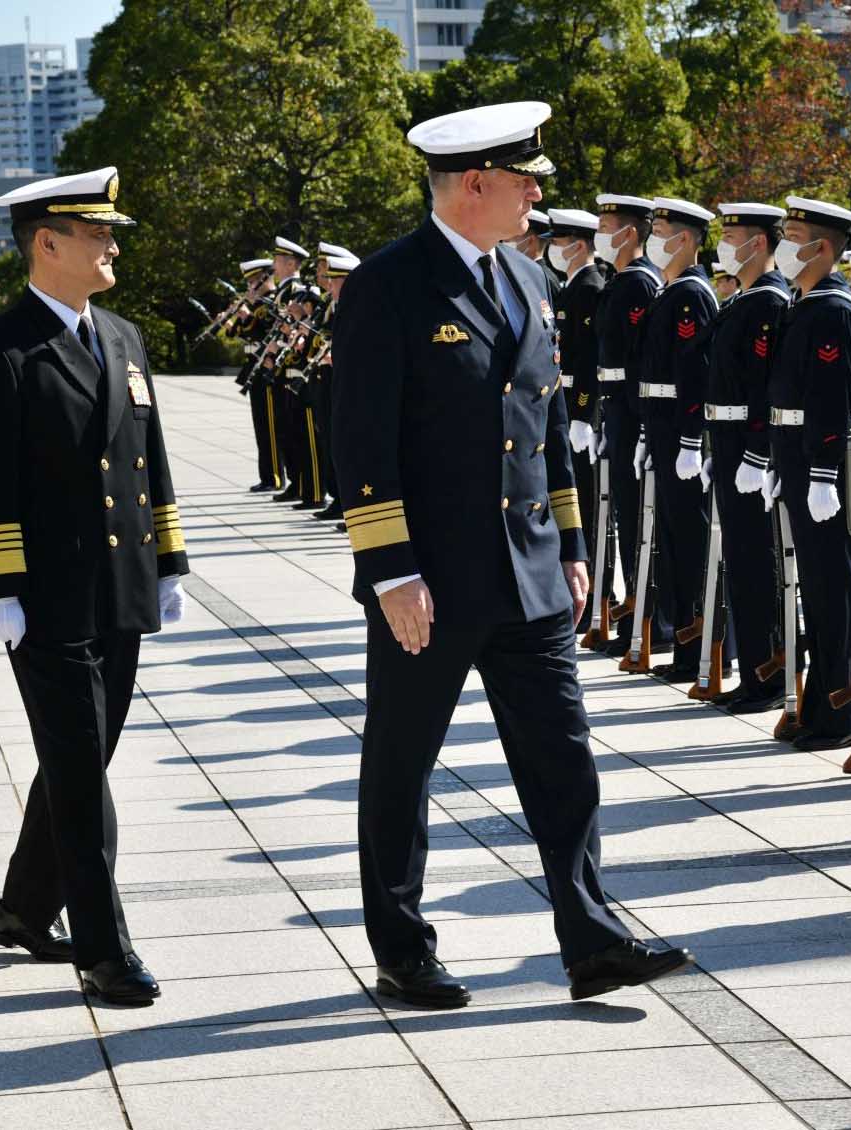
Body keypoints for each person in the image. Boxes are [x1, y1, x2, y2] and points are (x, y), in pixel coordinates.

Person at [329, 101, 691, 1009]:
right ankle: (403, 948)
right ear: (475, 184)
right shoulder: (390, 285)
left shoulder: (525, 283)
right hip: (432, 581)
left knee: (563, 758)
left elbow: (545, 429)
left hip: (527, 569)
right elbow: (361, 443)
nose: (538, 191)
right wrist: (390, 572)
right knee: (403, 763)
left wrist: (568, 543)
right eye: (523, 177)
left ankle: (593, 939)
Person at [0, 167, 188, 1005]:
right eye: (97, 234)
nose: (112, 245)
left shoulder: (121, 337)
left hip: (119, 589)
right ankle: (104, 948)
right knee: (83, 772)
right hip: (46, 600)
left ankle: (22, 910)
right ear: (47, 244)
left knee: (78, 759)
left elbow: (146, 459)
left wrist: (167, 561)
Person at [768, 195, 851, 750]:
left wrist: (826, 471)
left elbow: (832, 400)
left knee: (836, 588)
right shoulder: (804, 302)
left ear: (822, 247)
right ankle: (820, 702)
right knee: (817, 585)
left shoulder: (833, 308)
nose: (785, 240)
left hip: (823, 464)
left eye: (794, 232)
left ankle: (842, 709)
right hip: (800, 457)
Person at [710, 202, 789, 711]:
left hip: (747, 441)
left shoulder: (768, 302)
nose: (723, 244)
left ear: (757, 243)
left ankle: (770, 673)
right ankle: (756, 669)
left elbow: (764, 388)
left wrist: (758, 454)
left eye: (731, 234)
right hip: (727, 437)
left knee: (759, 564)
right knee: (741, 560)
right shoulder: (745, 299)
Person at [641, 196, 720, 680]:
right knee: (673, 542)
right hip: (663, 427)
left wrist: (691, 438)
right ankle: (686, 646)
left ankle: (700, 647)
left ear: (686, 240)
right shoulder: (670, 291)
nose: (655, 239)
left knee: (690, 545)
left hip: (680, 429)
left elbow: (696, 374)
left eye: (663, 230)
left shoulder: (692, 294)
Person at [592, 192, 670, 656]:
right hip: (614, 409)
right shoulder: (620, 281)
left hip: (630, 410)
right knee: (624, 514)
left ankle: (651, 617)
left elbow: (642, 361)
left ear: (628, 232)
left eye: (608, 226)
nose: (602, 234)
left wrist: (639, 425)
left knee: (640, 520)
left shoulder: (640, 283)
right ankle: (639, 613)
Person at [549, 207, 606, 624]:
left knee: (583, 508)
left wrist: (584, 414)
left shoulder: (589, 287)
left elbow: (588, 360)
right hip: (564, 406)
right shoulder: (572, 286)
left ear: (580, 245)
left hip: (579, 411)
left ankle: (589, 602)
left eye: (560, 240)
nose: (553, 248)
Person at [309, 242, 360, 522]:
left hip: (347, 385)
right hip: (328, 381)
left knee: (347, 449)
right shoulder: (334, 307)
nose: (330, 286)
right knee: (331, 442)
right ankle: (339, 500)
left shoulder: (358, 308)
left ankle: (348, 505)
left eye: (335, 280)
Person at [267, 237, 312, 504]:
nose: (274, 264)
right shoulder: (285, 290)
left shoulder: (296, 289)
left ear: (291, 263)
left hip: (293, 365)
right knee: (287, 431)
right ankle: (297, 483)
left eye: (278, 260)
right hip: (283, 365)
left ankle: (305, 485)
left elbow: (296, 325)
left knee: (296, 432)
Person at [233, 257, 283, 492]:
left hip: (267, 366)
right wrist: (243, 315)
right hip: (254, 365)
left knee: (270, 425)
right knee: (260, 424)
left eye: (254, 279)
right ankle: (267, 475)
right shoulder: (257, 303)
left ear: (265, 277)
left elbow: (267, 330)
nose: (251, 284)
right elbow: (239, 333)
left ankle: (274, 476)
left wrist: (250, 314)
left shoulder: (273, 302)